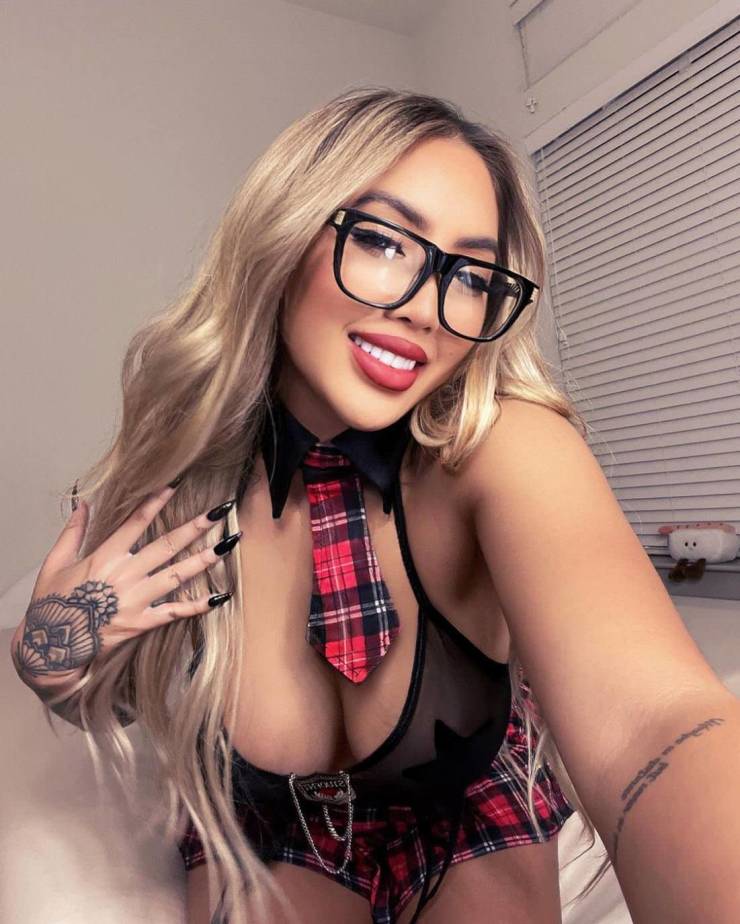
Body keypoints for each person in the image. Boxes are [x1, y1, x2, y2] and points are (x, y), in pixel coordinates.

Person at [15, 87, 736, 924]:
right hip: (269, 829)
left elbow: (652, 724)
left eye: (472, 276)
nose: (427, 310)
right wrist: (49, 655)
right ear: (285, 235)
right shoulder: (175, 485)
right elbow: (105, 695)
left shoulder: (502, 446)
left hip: (467, 812)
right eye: (385, 241)